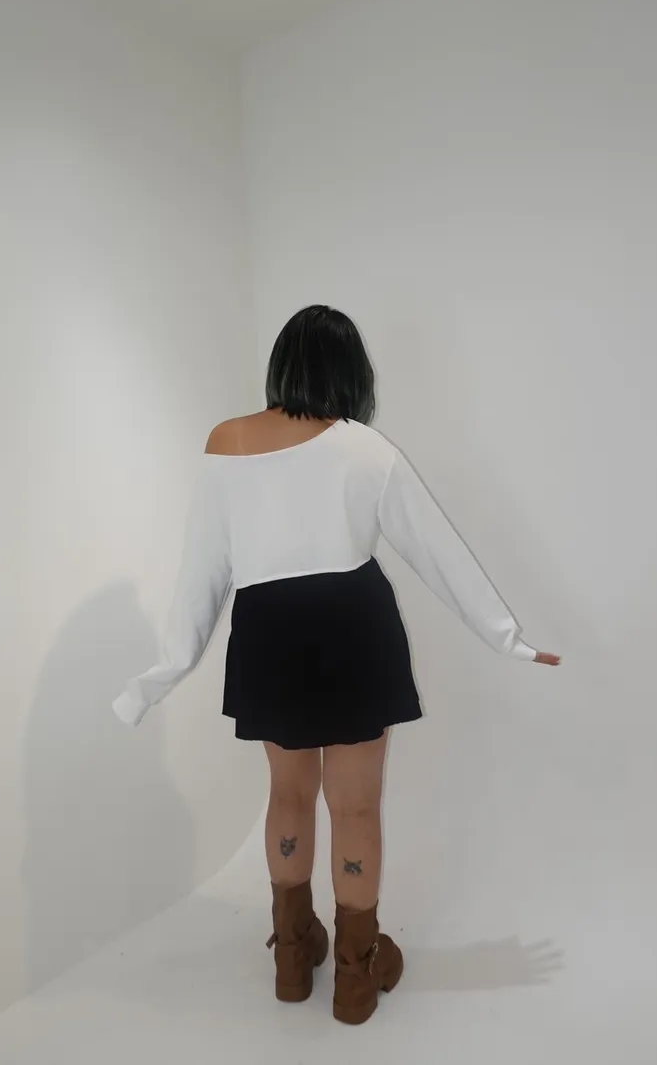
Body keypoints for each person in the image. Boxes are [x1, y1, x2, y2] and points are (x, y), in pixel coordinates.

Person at [113, 305, 560, 1026]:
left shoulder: (227, 441)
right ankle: (356, 974)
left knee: (287, 797)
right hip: (354, 628)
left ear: (282, 363)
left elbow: (202, 572)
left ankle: (292, 958)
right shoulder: (365, 447)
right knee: (354, 807)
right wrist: (507, 637)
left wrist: (161, 674)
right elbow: (437, 551)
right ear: (351, 373)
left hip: (269, 634)